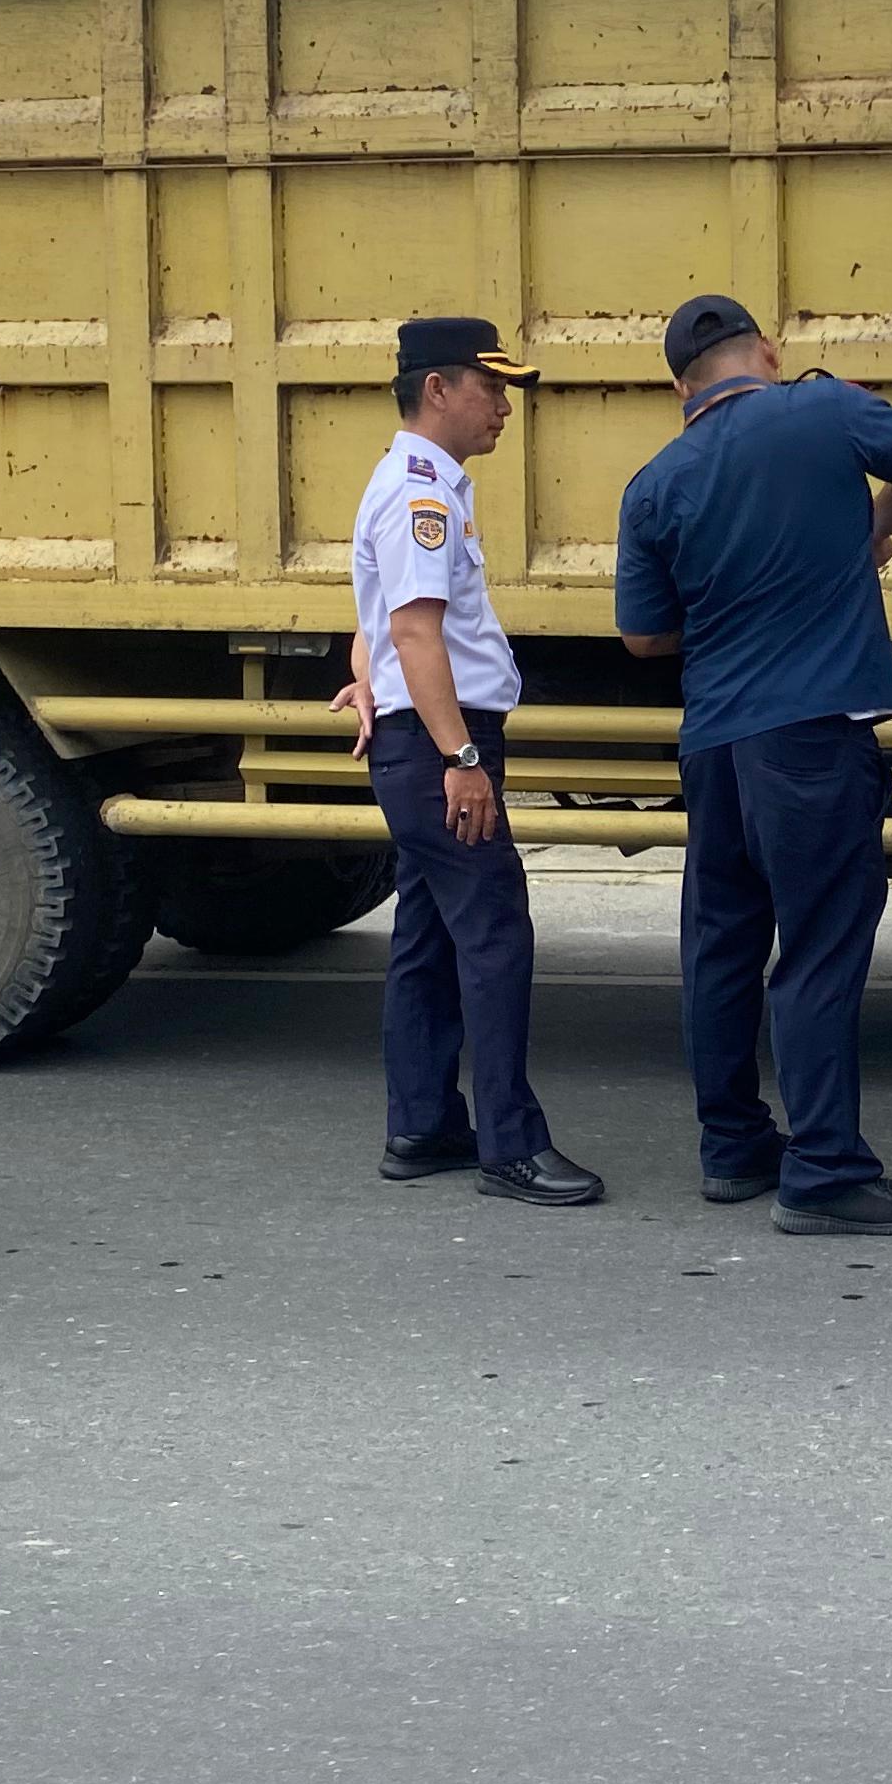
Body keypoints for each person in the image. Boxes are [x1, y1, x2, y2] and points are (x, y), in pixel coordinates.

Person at [615, 294, 892, 1235]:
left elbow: (643, 637)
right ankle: (825, 1170)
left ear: (680, 384)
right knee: (816, 946)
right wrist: (866, 532)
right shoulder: (824, 407)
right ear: (764, 351)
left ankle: (733, 1149)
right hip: (810, 733)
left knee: (721, 942)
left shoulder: (654, 481)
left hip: (714, 740)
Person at [333, 317, 601, 1206]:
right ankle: (511, 1147)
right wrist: (462, 756)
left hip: (419, 739)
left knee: (429, 935)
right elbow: (413, 627)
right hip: (439, 742)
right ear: (439, 389)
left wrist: (367, 674)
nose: (504, 409)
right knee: (494, 934)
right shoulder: (423, 491)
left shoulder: (410, 481)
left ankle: (422, 1124)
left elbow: (380, 618)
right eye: (492, 390)